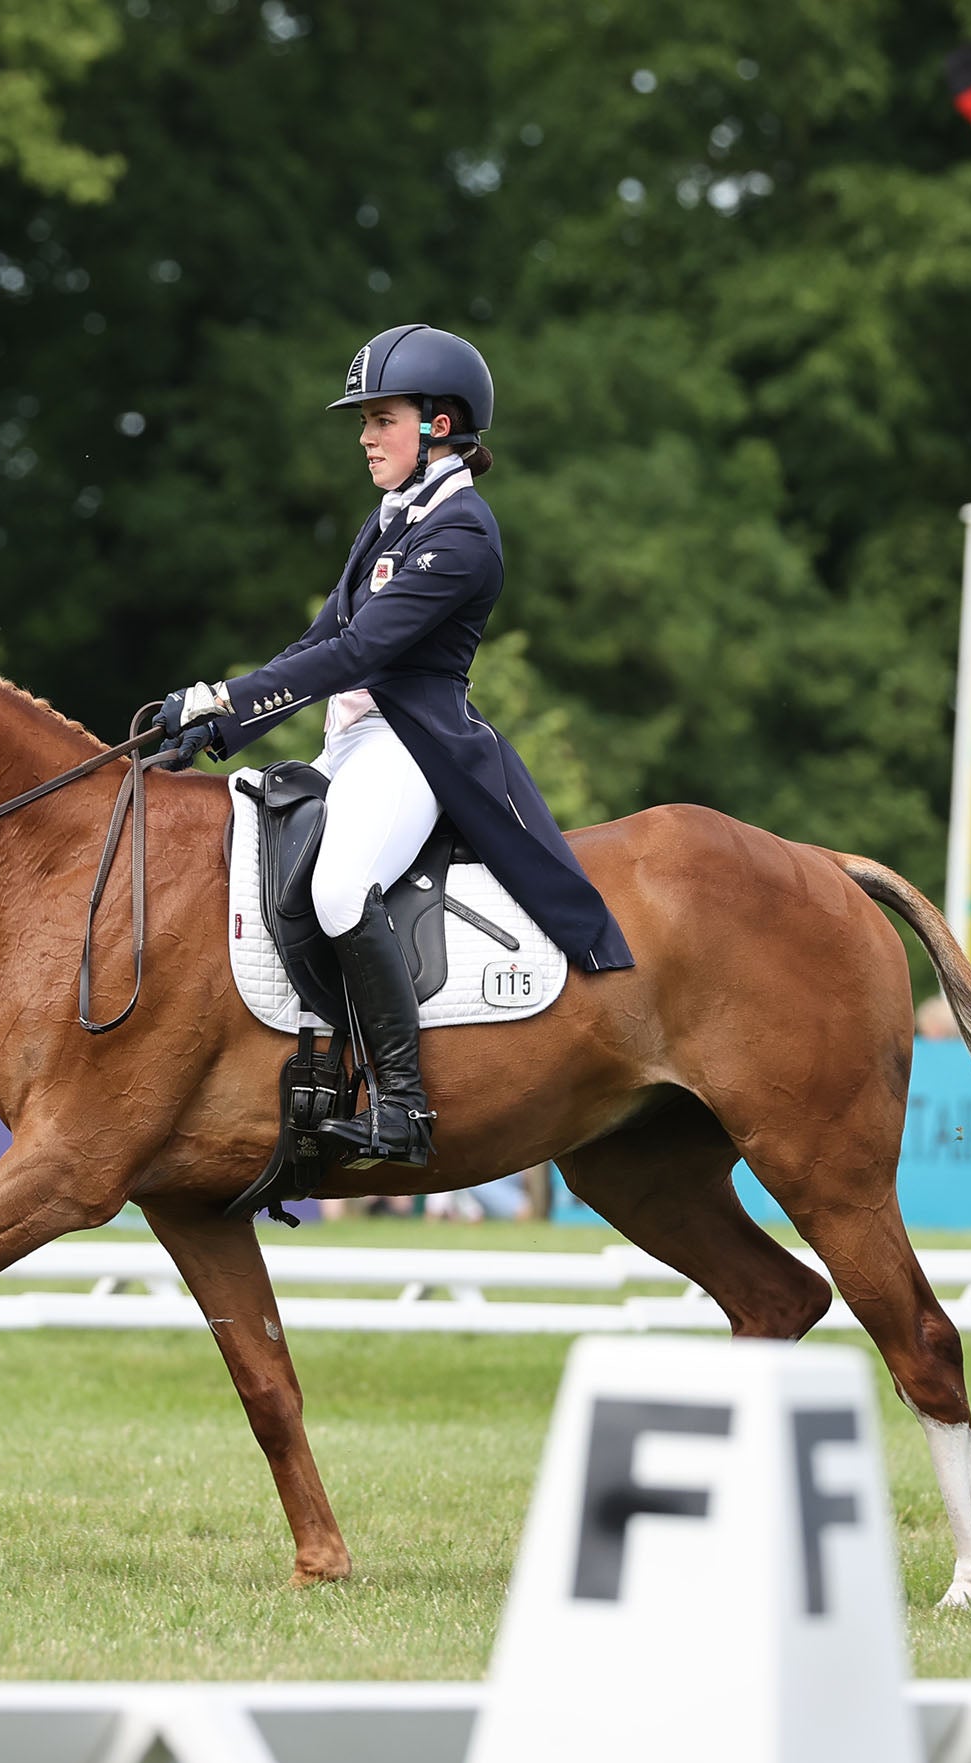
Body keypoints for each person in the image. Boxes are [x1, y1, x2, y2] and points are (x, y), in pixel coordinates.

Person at [148, 325, 634, 1168]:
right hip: (358, 743)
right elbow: (314, 645)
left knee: (340, 887)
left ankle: (403, 1107)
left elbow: (360, 653)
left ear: (439, 424)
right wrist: (216, 726)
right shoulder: (389, 523)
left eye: (382, 418)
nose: (365, 437)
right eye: (365, 420)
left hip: (417, 747)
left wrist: (227, 694)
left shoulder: (462, 534)